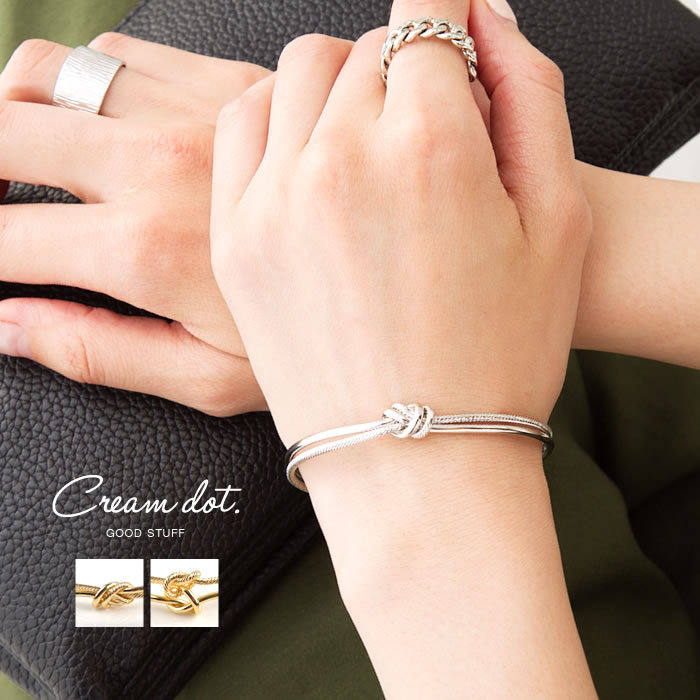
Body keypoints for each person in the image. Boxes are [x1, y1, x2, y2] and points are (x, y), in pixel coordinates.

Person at [0, 0, 698, 696]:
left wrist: (403, 456)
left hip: (177, 588)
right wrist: (472, 222)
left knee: (108, 600)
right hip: (153, 581)